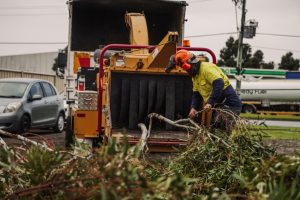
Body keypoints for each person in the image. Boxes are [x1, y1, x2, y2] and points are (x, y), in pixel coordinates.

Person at [166, 49, 242, 132]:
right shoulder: (195, 76)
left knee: (222, 129)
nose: (187, 71)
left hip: (230, 104)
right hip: (219, 106)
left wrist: (210, 102)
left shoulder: (206, 68)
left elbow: (219, 83)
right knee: (214, 129)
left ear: (190, 64)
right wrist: (193, 108)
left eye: (186, 69)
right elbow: (196, 94)